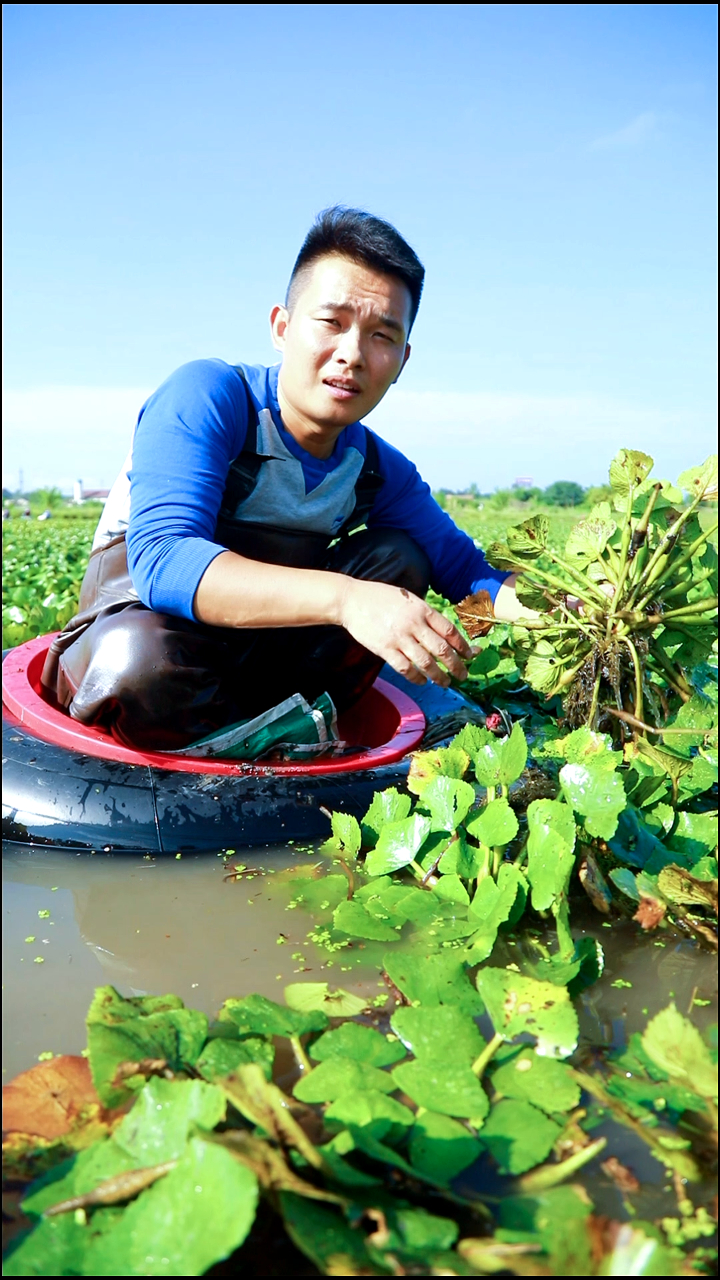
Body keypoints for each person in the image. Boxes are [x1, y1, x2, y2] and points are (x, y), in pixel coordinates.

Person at [42, 207, 530, 749]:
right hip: (150, 639)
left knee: (401, 557)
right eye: (332, 322)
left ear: (403, 358)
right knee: (135, 660)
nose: (352, 354)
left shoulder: (375, 468)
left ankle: (290, 729)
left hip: (265, 663)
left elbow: (466, 571)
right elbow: (164, 559)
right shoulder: (209, 397)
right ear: (282, 326)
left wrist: (575, 613)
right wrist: (349, 600)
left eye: (381, 335)